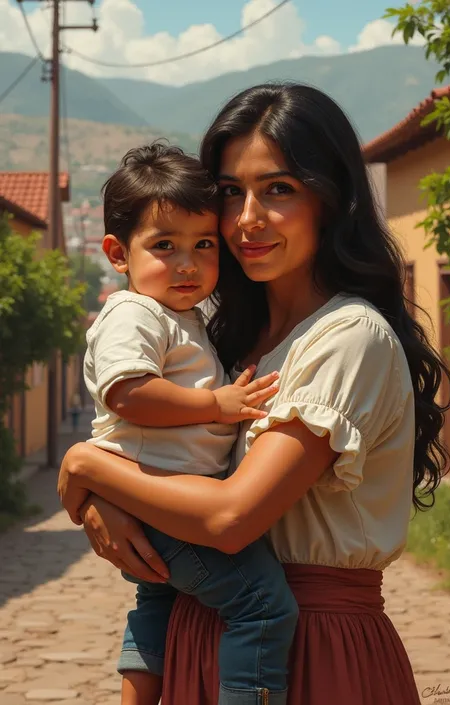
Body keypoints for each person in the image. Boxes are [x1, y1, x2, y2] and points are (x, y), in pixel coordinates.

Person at [58, 83, 450, 705]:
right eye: (229, 193)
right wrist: (104, 502)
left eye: (278, 190)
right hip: (205, 636)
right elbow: (169, 468)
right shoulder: (226, 343)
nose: (247, 218)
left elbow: (229, 516)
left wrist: (85, 467)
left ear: (330, 199)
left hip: (313, 650)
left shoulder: (347, 337)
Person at [83, 141, 300, 705]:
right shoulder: (132, 314)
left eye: (203, 244)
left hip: (161, 500)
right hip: (166, 500)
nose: (187, 263)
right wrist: (216, 405)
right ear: (117, 252)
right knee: (262, 606)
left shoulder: (184, 316)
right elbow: (128, 393)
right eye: (164, 246)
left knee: (158, 604)